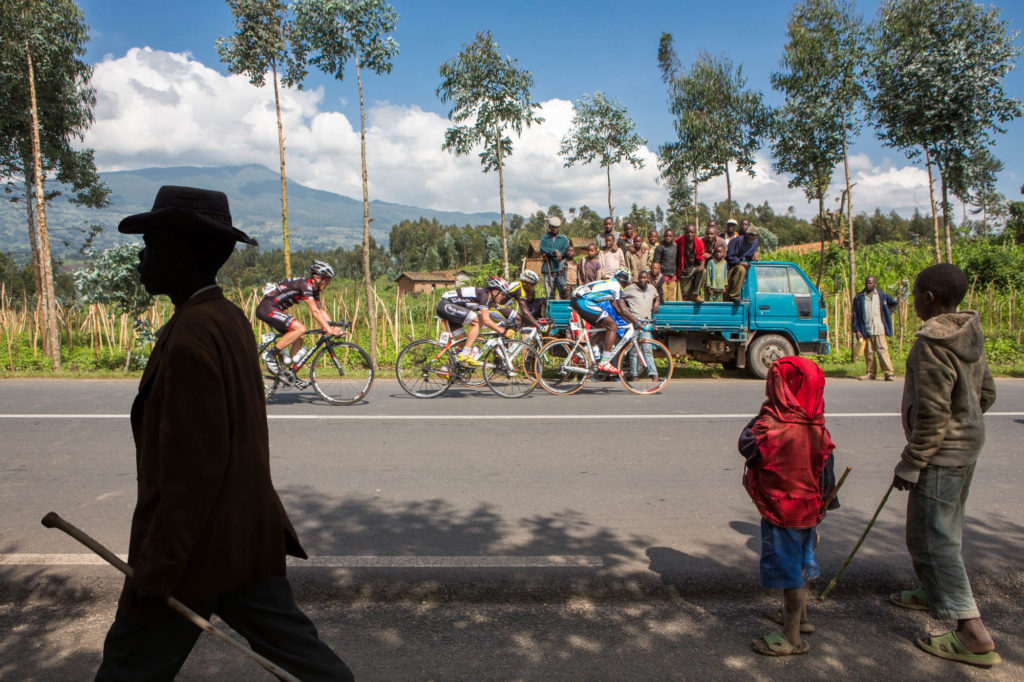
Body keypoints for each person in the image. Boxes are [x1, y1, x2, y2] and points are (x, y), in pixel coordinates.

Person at [97, 185, 354, 681]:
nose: (144, 258)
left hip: (194, 551)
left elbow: (191, 470)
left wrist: (158, 567)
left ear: (181, 252)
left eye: (152, 245)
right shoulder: (226, 318)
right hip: (246, 538)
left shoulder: (193, 334)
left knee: (128, 668)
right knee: (312, 667)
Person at [890, 263, 1000, 668]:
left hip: (942, 454)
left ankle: (973, 634)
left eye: (915, 294)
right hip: (968, 446)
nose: (913, 301)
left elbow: (933, 415)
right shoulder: (969, 330)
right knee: (945, 527)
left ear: (928, 298)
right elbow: (985, 392)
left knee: (933, 541)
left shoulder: (932, 343)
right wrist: (965, 422)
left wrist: (911, 462)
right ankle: (933, 593)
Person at [740, 356, 837, 657]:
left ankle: (791, 636)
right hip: (809, 511)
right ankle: (801, 618)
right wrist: (822, 510)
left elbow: (747, 447)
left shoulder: (769, 427)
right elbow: (826, 475)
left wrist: (761, 415)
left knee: (790, 573)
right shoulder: (818, 427)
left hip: (781, 512)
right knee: (803, 565)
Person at [256, 260, 344, 371]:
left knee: (299, 337)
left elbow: (320, 310)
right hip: (267, 308)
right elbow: (315, 312)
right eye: (326, 280)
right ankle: (270, 356)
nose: (328, 283)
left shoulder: (314, 289)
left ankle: (291, 373)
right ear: (317, 278)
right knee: (300, 328)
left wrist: (333, 327)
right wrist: (328, 329)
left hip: (274, 309)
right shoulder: (305, 285)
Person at [570, 268, 640, 374]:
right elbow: (623, 310)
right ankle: (604, 362)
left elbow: (618, 310)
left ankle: (584, 350)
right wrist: (639, 323)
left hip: (578, 299)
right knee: (613, 326)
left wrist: (630, 322)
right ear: (626, 281)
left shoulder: (611, 284)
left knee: (607, 327)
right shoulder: (616, 287)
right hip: (582, 301)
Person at [436, 276, 512, 366]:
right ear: (495, 291)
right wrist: (502, 331)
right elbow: (486, 320)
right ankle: (465, 354)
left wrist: (510, 322)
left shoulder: (489, 300)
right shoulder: (484, 296)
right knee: (478, 321)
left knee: (463, 342)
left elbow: (498, 314)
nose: (504, 297)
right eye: (503, 294)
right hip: (446, 305)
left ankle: (446, 368)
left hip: (449, 308)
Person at [852, 275, 899, 381]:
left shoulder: (881, 295)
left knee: (882, 350)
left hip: (879, 328)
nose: (868, 285)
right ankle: (870, 373)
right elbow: (855, 315)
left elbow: (894, 303)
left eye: (870, 283)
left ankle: (889, 373)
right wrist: (857, 329)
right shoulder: (859, 298)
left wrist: (887, 313)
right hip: (866, 328)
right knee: (869, 352)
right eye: (866, 283)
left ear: (875, 284)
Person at [622, 269, 660, 380]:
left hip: (646, 323)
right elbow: (620, 298)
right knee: (633, 350)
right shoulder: (630, 289)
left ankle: (653, 374)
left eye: (644, 278)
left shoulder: (652, 289)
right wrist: (626, 307)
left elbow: (657, 296)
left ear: (648, 279)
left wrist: (656, 303)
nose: (642, 280)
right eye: (640, 278)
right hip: (634, 323)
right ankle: (634, 374)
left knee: (647, 348)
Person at [724, 225, 759, 302]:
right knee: (741, 269)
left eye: (753, 235)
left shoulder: (755, 242)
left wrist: (756, 255)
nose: (750, 236)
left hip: (748, 266)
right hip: (732, 267)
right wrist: (741, 263)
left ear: (756, 236)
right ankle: (734, 295)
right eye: (749, 234)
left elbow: (755, 252)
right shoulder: (737, 241)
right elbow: (730, 257)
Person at [674, 223, 706, 302]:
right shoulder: (681, 240)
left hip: (693, 268)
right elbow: (672, 242)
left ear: (695, 233)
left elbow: (701, 256)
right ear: (685, 233)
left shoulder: (699, 243)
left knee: (703, 271)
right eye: (688, 232)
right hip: (684, 270)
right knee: (686, 295)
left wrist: (702, 265)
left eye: (692, 232)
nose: (690, 234)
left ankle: (696, 294)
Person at [539, 216, 569, 299]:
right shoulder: (545, 237)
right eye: (552, 227)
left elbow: (565, 251)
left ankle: (563, 311)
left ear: (559, 228)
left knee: (563, 293)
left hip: (561, 270)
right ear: (549, 226)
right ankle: (550, 311)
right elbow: (542, 248)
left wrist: (549, 253)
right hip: (548, 269)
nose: (554, 229)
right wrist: (555, 252)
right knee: (549, 295)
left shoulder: (564, 239)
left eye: (556, 227)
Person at [653, 229, 679, 302]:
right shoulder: (659, 248)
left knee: (671, 298)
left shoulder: (676, 247)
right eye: (666, 236)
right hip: (663, 277)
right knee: (662, 297)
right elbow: (656, 262)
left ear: (673, 237)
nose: (668, 238)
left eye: (670, 236)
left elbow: (677, 261)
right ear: (664, 237)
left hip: (672, 276)